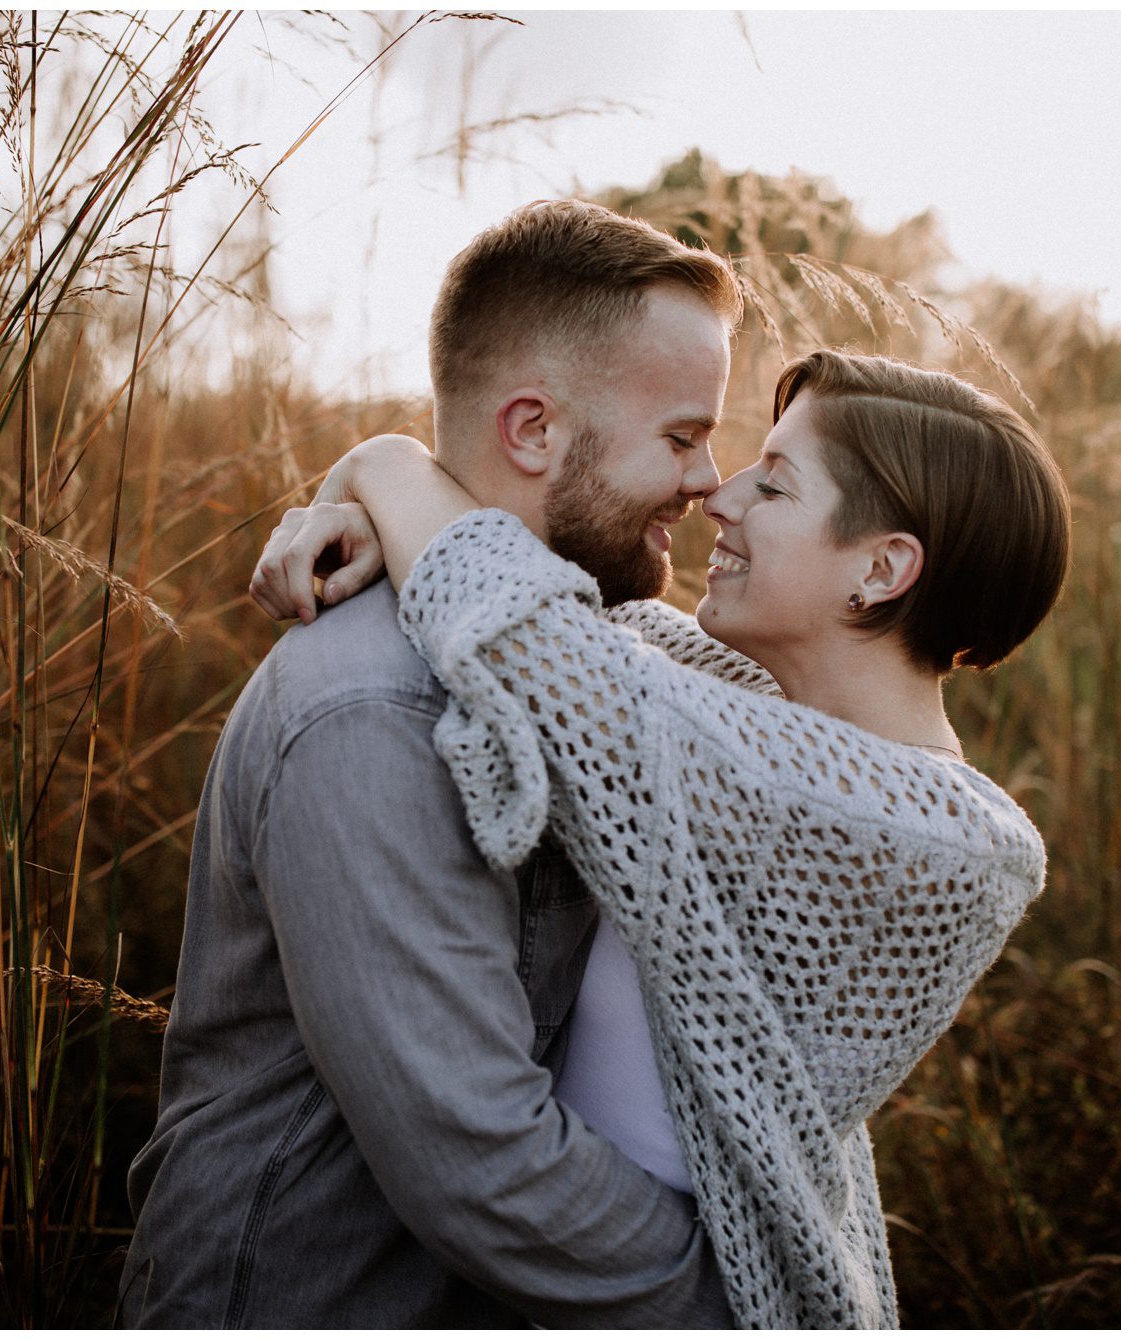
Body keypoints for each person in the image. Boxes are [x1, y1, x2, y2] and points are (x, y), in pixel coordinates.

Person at [251, 348, 1071, 1326]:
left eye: (773, 482)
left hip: (670, 1291)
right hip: (570, 1271)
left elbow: (525, 632)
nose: (720, 496)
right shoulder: (745, 705)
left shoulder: (933, 835)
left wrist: (383, 463)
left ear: (881, 566)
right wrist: (365, 513)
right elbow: (553, 593)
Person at [117, 200, 747, 1326]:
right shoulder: (373, 711)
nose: (711, 479)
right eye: (681, 435)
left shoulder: (578, 660)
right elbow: (483, 1167)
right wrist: (741, 1295)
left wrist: (381, 464)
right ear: (533, 431)